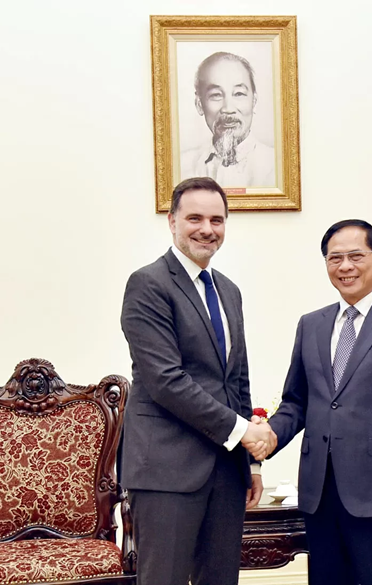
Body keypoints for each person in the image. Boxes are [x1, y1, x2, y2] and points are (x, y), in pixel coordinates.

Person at [266, 219, 372, 585]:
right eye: (335, 258)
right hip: (319, 493)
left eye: (356, 256)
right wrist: (263, 440)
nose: (345, 266)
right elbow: (296, 403)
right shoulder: (310, 325)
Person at [120, 176, 274, 585]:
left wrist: (251, 463)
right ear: (171, 221)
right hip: (166, 471)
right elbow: (165, 380)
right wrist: (244, 432)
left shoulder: (229, 291)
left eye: (217, 220)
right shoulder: (148, 284)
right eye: (195, 218)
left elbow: (236, 382)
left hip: (225, 471)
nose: (207, 229)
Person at [181, 51, 276, 188]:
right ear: (199, 104)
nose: (228, 108)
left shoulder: (276, 167)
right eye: (216, 95)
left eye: (238, 94)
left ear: (254, 101)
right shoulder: (183, 167)